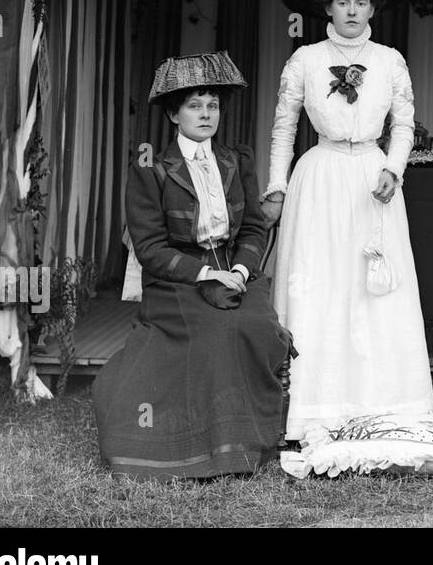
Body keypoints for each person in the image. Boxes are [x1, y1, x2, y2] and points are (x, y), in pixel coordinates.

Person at [263, 0, 433, 441]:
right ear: (327, 7)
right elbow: (282, 130)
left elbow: (404, 125)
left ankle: (384, 400)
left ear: (373, 6)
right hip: (319, 177)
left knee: (372, 286)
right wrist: (277, 185)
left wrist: (394, 169)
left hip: (372, 179)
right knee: (319, 284)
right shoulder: (305, 61)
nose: (352, 11)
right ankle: (314, 407)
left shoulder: (390, 61)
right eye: (343, 2)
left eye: (361, 2)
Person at [93, 51, 292, 479]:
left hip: (233, 273)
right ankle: (201, 448)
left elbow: (254, 230)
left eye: (213, 105)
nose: (206, 114)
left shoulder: (236, 161)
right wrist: (204, 273)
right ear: (173, 114)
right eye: (194, 106)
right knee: (216, 330)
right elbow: (149, 246)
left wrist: (238, 272)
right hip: (176, 280)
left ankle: (253, 440)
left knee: (256, 327)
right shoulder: (151, 168)